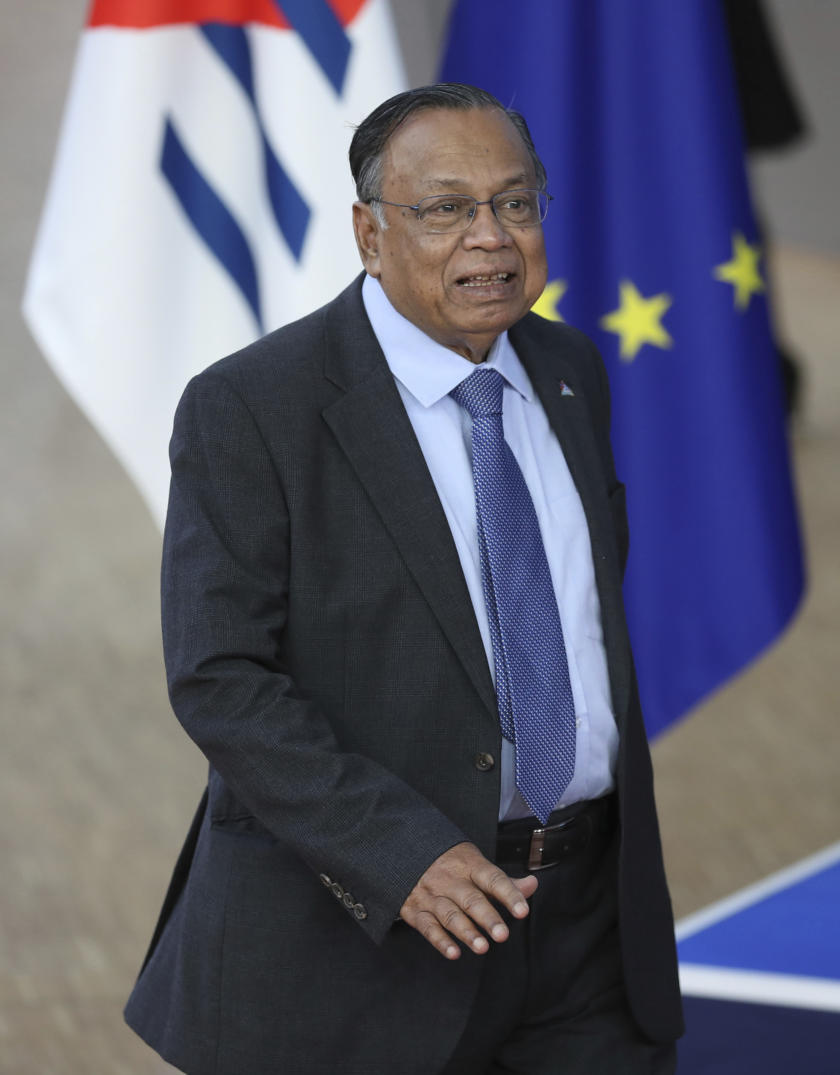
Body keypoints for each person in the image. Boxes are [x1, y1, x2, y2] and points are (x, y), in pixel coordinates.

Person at [124, 83, 683, 1075]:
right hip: (359, 953)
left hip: (587, 927)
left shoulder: (569, 370)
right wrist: (398, 851)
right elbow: (221, 677)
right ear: (369, 233)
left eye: (515, 203)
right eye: (445, 208)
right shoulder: (253, 409)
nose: (490, 239)